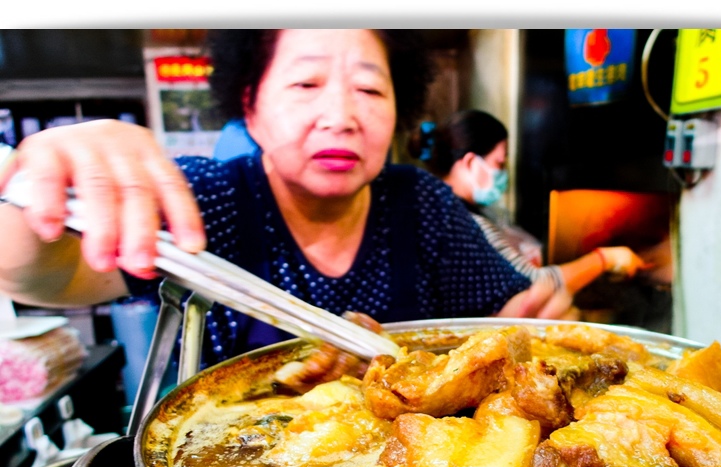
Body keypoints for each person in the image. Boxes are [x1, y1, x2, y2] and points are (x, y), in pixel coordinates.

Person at [0, 30, 572, 368]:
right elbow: (43, 275)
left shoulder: (422, 206)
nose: (342, 118)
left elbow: (508, 321)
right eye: (305, 84)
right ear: (249, 104)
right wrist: (43, 174)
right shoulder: (208, 198)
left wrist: (539, 326)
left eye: (370, 89)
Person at [416, 109, 648, 295]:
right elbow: (534, 286)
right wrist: (604, 259)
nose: (504, 172)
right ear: (469, 163)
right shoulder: (466, 225)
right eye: (499, 163)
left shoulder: (441, 211)